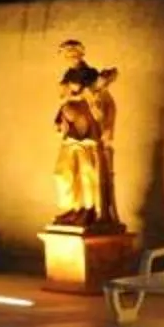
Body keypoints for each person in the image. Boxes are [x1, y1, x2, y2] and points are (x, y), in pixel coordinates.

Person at [49, 39, 121, 229]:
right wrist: (62, 114)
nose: (70, 58)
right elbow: (63, 99)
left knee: (87, 172)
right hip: (70, 129)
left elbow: (98, 97)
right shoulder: (68, 75)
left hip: (87, 131)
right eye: (66, 55)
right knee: (63, 173)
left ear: (81, 54)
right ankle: (72, 208)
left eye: (73, 54)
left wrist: (84, 93)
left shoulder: (90, 74)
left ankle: (88, 210)